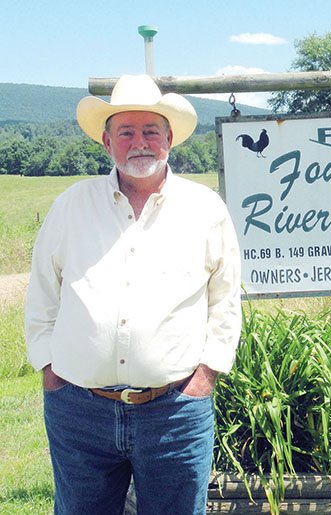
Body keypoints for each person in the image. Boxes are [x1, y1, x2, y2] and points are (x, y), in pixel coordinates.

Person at [24, 74, 242, 514]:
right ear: (107, 142)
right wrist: (51, 370)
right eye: (126, 132)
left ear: (169, 140)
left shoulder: (205, 209)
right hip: (79, 411)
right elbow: (43, 294)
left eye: (150, 131)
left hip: (175, 409)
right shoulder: (71, 205)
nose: (139, 142)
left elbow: (225, 301)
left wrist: (205, 377)